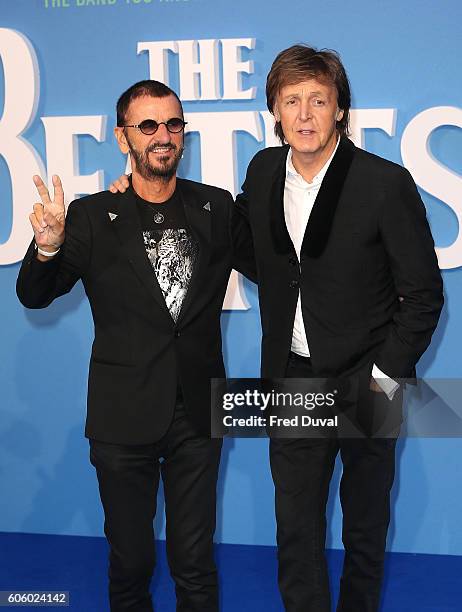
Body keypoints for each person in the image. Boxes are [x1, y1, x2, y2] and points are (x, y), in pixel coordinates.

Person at [232, 44, 444, 611]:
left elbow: (424, 295)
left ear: (340, 111)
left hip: (368, 377)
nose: (304, 115)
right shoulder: (260, 170)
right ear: (274, 112)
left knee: (364, 527)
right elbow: (251, 250)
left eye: (318, 101)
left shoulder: (384, 183)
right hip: (294, 378)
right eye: (291, 101)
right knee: (295, 530)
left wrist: (382, 374)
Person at [16, 80, 239, 612]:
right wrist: (47, 249)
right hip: (122, 419)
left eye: (173, 124)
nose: (163, 136)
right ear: (123, 138)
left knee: (195, 561)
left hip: (197, 414)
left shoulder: (216, 207)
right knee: (132, 562)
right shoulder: (93, 217)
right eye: (148, 126)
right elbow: (34, 294)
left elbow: (275, 268)